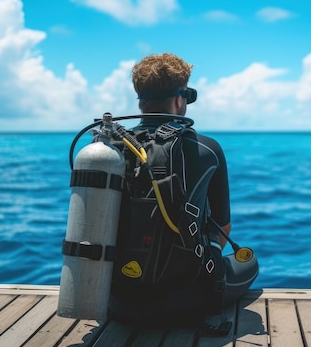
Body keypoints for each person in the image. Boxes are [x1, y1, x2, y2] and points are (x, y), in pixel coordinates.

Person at [109, 53, 259, 324]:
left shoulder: (109, 148)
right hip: (183, 301)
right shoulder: (207, 149)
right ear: (181, 98)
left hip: (115, 302)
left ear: (140, 99)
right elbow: (222, 228)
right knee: (249, 263)